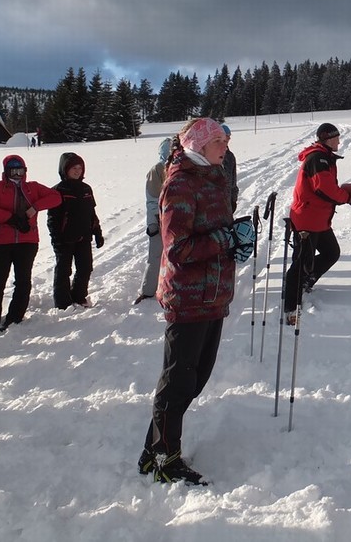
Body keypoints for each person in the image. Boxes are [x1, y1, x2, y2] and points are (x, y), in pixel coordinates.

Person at [138, 118, 254, 485]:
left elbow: (213, 230)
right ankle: (165, 459)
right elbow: (178, 249)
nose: (225, 145)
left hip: (212, 294)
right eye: (218, 140)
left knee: (195, 379)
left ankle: (153, 450)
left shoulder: (213, 177)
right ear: (198, 145)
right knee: (178, 381)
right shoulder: (180, 184)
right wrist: (225, 240)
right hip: (188, 297)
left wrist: (236, 239)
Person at [283, 123, 351, 325]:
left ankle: (306, 281)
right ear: (328, 139)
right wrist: (348, 197)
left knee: (331, 253)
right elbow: (324, 188)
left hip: (318, 219)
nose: (339, 142)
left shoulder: (323, 157)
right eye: (336, 138)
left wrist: (347, 195)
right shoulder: (318, 158)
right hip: (307, 219)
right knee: (301, 263)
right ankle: (290, 307)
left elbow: (326, 188)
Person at [0, 155, 62, 341]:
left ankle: (15, 316)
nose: (17, 174)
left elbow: (56, 198)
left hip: (27, 241)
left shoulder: (33, 187)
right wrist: (10, 218)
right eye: (12, 170)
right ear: (5, 171)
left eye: (20, 170)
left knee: (23, 281)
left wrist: (35, 207)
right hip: (2, 242)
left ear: (25, 171)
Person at [47, 152, 104, 310]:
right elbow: (52, 219)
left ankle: (79, 295)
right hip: (64, 238)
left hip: (84, 236)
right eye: (74, 168)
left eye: (80, 168)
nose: (77, 171)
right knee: (63, 270)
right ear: (65, 169)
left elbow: (92, 213)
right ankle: (62, 302)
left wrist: (97, 232)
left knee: (85, 267)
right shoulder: (58, 190)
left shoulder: (86, 189)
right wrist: (56, 239)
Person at [134, 137, 172, 305]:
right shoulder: (156, 170)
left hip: (175, 220)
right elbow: (152, 200)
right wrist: (155, 222)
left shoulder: (180, 168)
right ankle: (148, 291)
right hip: (159, 222)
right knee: (156, 256)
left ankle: (171, 285)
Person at [220, 124, 239, 213]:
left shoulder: (230, 156)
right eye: (226, 135)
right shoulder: (210, 155)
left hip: (228, 201)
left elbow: (233, 181)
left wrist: (233, 199)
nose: (229, 138)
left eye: (229, 136)